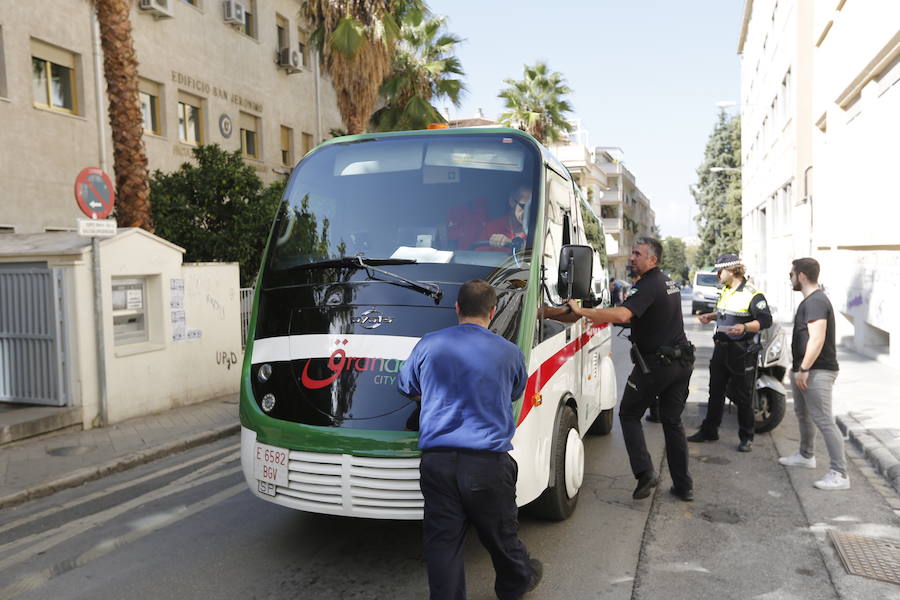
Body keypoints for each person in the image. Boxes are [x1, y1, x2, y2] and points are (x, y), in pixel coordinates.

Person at [397, 279, 542, 599]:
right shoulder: (510, 352)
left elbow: (407, 386)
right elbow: (515, 391)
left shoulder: (428, 344)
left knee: (443, 544)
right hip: (488, 464)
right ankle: (515, 583)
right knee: (502, 535)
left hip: (438, 462)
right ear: (492, 312)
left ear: (457, 308)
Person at [566, 237, 696, 502]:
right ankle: (684, 486)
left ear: (653, 260)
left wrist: (581, 311)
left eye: (638, 254)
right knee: (672, 422)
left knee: (628, 413)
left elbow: (623, 315)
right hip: (680, 363)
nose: (632, 257)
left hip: (658, 365)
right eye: (633, 252)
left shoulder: (648, 284)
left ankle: (645, 472)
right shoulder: (667, 281)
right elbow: (651, 317)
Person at [687, 254, 772, 452]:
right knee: (715, 392)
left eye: (720, 270)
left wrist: (744, 327)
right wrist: (712, 316)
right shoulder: (725, 290)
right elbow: (726, 313)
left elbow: (766, 320)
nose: (717, 274)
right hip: (721, 348)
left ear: (733, 270)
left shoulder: (753, 294)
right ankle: (710, 431)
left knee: (743, 396)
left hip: (741, 351)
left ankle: (746, 437)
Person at [778, 258, 849, 490]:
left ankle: (840, 473)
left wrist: (805, 368)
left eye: (791, 274)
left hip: (818, 371)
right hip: (805, 369)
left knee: (824, 420)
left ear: (802, 276)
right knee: (802, 414)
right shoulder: (809, 301)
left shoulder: (816, 302)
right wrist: (797, 367)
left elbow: (817, 339)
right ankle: (806, 455)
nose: (790, 278)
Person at [478, 185, 530, 251]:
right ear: (512, 202)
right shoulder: (492, 227)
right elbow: (478, 257)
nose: (528, 212)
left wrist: (511, 244)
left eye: (532, 207)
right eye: (524, 206)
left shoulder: (540, 230)